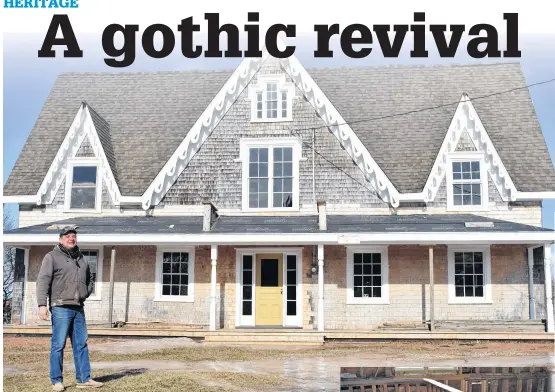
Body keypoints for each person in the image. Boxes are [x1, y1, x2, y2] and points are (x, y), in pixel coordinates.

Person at [36, 225, 104, 391]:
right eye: (67, 236)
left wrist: (85, 293)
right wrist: (42, 305)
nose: (71, 238)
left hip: (78, 308)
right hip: (60, 307)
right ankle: (57, 381)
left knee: (81, 344)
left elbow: (90, 279)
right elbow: (43, 281)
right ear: (60, 239)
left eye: (73, 236)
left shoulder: (81, 258)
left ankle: (83, 379)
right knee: (58, 345)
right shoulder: (51, 257)